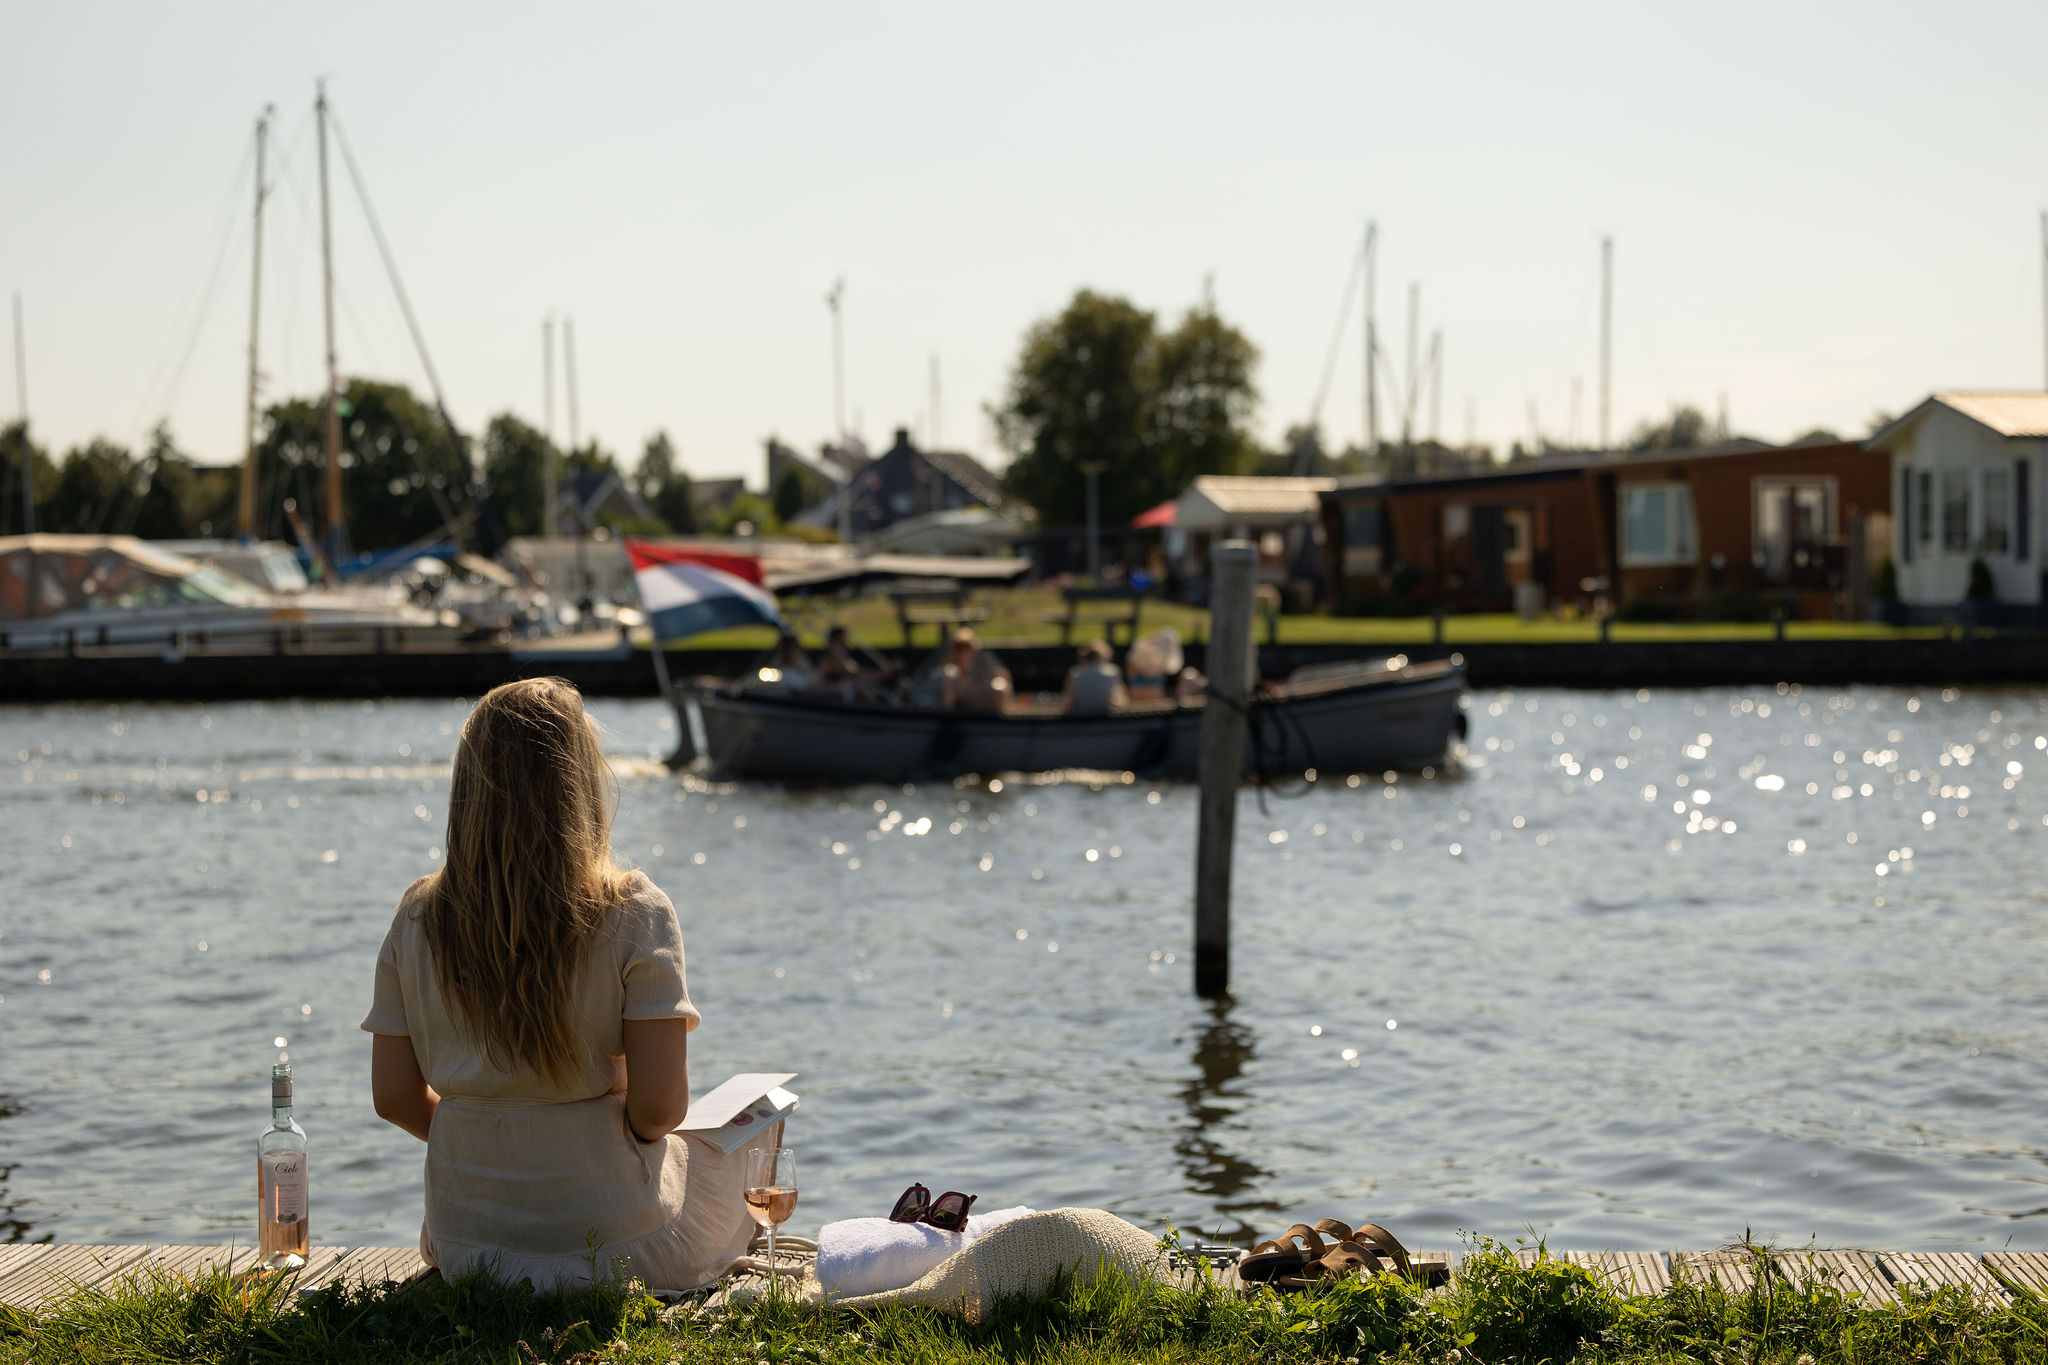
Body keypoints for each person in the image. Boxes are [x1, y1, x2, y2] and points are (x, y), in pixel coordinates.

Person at [362, 677, 776, 1293]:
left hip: (465, 1247)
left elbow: (395, 1097)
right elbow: (659, 1111)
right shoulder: (635, 909)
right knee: (760, 1116)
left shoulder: (418, 914)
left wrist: (494, 1126)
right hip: (614, 1251)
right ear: (579, 782)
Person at [939, 628, 1012, 712]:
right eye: (960, 647)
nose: (964, 651)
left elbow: (1002, 673)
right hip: (967, 699)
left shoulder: (983, 658)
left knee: (1000, 686)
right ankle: (950, 718)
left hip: (985, 691)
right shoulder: (951, 667)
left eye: (967, 647)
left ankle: (1002, 717)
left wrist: (984, 680)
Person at [1062, 639, 1128, 716]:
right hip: (1107, 719)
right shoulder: (1113, 671)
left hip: (1081, 720)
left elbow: (1068, 703)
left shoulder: (1075, 673)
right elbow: (1122, 700)